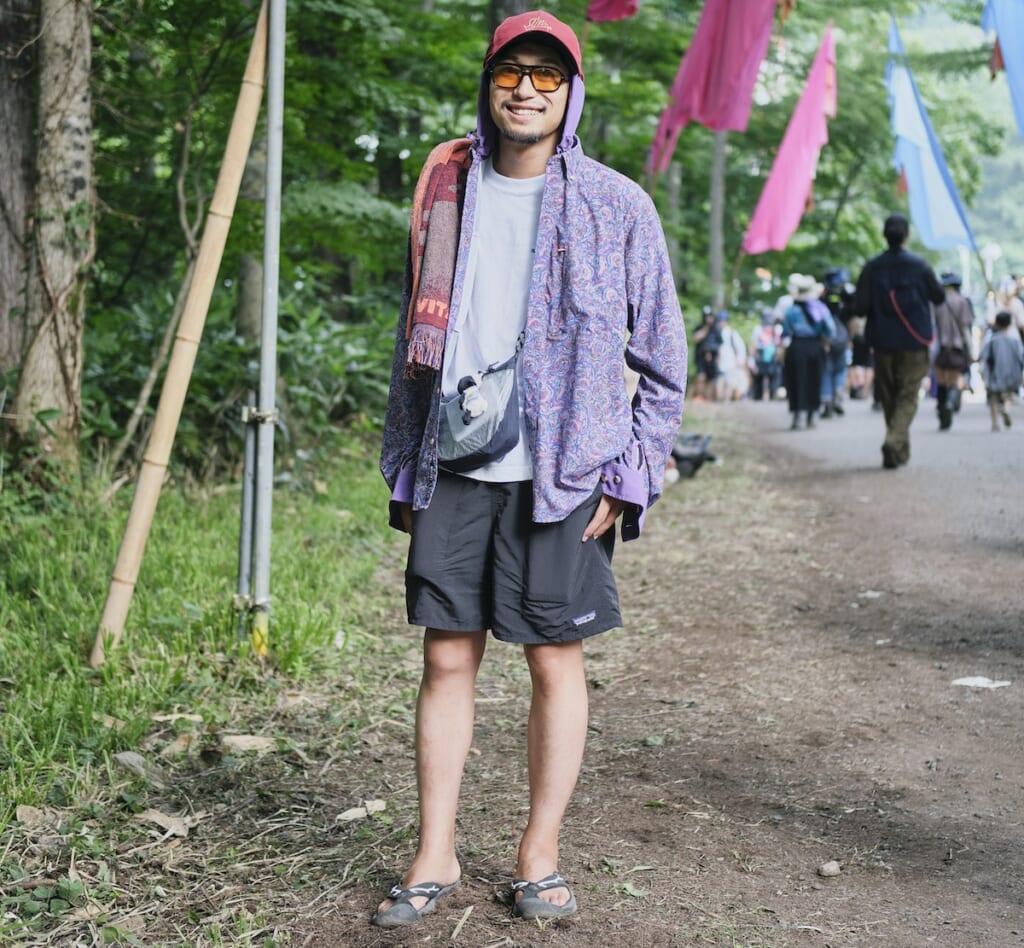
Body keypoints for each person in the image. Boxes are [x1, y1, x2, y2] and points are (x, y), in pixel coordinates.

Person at [375, 11, 687, 928]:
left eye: (547, 74)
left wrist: (630, 474)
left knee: (554, 657)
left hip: (566, 470)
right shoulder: (446, 189)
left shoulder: (618, 205)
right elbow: (412, 338)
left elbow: (664, 359)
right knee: (446, 655)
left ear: (571, 94)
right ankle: (434, 853)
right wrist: (405, 462)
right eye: (511, 70)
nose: (526, 88)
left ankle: (539, 856)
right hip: (457, 458)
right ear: (489, 83)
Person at [851, 213, 944, 469]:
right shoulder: (920, 266)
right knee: (907, 394)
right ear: (906, 236)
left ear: (885, 235)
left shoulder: (872, 267)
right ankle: (894, 442)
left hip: (882, 341)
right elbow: (938, 297)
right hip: (914, 341)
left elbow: (860, 307)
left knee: (890, 395)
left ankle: (897, 449)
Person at [781, 274, 833, 430]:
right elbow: (830, 329)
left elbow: (785, 331)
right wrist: (825, 342)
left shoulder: (792, 310)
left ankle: (798, 414)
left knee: (796, 380)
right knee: (814, 379)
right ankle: (812, 413)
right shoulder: (820, 308)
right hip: (815, 346)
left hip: (796, 346)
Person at [932, 271, 974, 431]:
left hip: (940, 347)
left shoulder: (937, 301)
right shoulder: (962, 301)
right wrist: (971, 350)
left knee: (941, 381)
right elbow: (965, 328)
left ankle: (942, 411)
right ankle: (951, 402)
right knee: (955, 380)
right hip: (957, 347)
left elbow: (932, 325)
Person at [979, 310, 1024, 432]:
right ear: (1009, 324)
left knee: (993, 399)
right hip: (1011, 374)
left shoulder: (991, 340)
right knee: (1008, 395)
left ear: (997, 323)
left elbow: (984, 357)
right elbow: (1021, 357)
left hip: (994, 374)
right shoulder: (1015, 340)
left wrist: (983, 373)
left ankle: (995, 423)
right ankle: (1006, 410)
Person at [819, 268, 852, 418]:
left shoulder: (822, 298)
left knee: (827, 370)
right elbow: (853, 316)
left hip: (826, 340)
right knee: (840, 369)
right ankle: (838, 394)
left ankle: (827, 400)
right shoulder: (845, 297)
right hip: (842, 339)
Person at [711, 310, 748, 401]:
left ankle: (726, 402)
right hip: (720, 364)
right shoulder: (716, 333)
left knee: (729, 384)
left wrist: (739, 361)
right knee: (719, 384)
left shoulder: (732, 333)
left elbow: (740, 348)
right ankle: (721, 401)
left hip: (731, 363)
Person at [748, 306, 782, 401]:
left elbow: (779, 345)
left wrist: (778, 356)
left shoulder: (777, 329)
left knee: (773, 380)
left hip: (772, 358)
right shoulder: (758, 329)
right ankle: (758, 397)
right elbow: (753, 344)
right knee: (758, 380)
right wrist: (751, 360)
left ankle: (772, 396)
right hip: (760, 358)